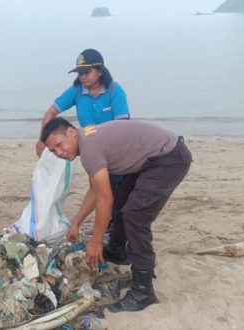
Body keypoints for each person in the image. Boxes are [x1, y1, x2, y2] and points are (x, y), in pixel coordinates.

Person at [41, 117, 192, 313]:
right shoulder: (88, 141)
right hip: (149, 160)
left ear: (71, 132)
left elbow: (105, 199)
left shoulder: (90, 150)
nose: (59, 153)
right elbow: (96, 190)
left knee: (135, 216)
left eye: (59, 145)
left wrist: (95, 241)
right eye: (53, 151)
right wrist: (76, 223)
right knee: (121, 203)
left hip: (169, 158)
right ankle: (118, 251)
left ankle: (143, 290)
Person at [33, 49, 131, 251]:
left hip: (114, 151)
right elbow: (52, 112)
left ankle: (115, 232)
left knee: (118, 193)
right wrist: (43, 139)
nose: (82, 77)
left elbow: (123, 125)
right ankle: (107, 227)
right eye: (79, 73)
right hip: (90, 150)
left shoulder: (114, 91)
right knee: (99, 189)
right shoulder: (77, 91)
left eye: (87, 72)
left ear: (100, 71)